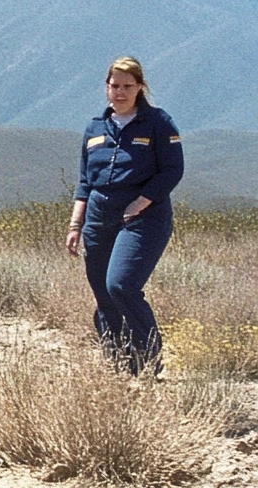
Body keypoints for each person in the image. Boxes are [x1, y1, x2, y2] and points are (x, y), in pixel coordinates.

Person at [65, 57, 183, 375]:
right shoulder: (95, 128)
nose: (120, 92)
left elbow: (172, 170)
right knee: (104, 295)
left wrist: (141, 203)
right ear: (106, 87)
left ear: (140, 87)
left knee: (121, 285)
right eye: (114, 85)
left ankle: (148, 360)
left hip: (142, 217)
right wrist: (76, 225)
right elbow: (85, 182)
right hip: (98, 218)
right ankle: (119, 364)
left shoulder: (158, 123)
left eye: (127, 86)